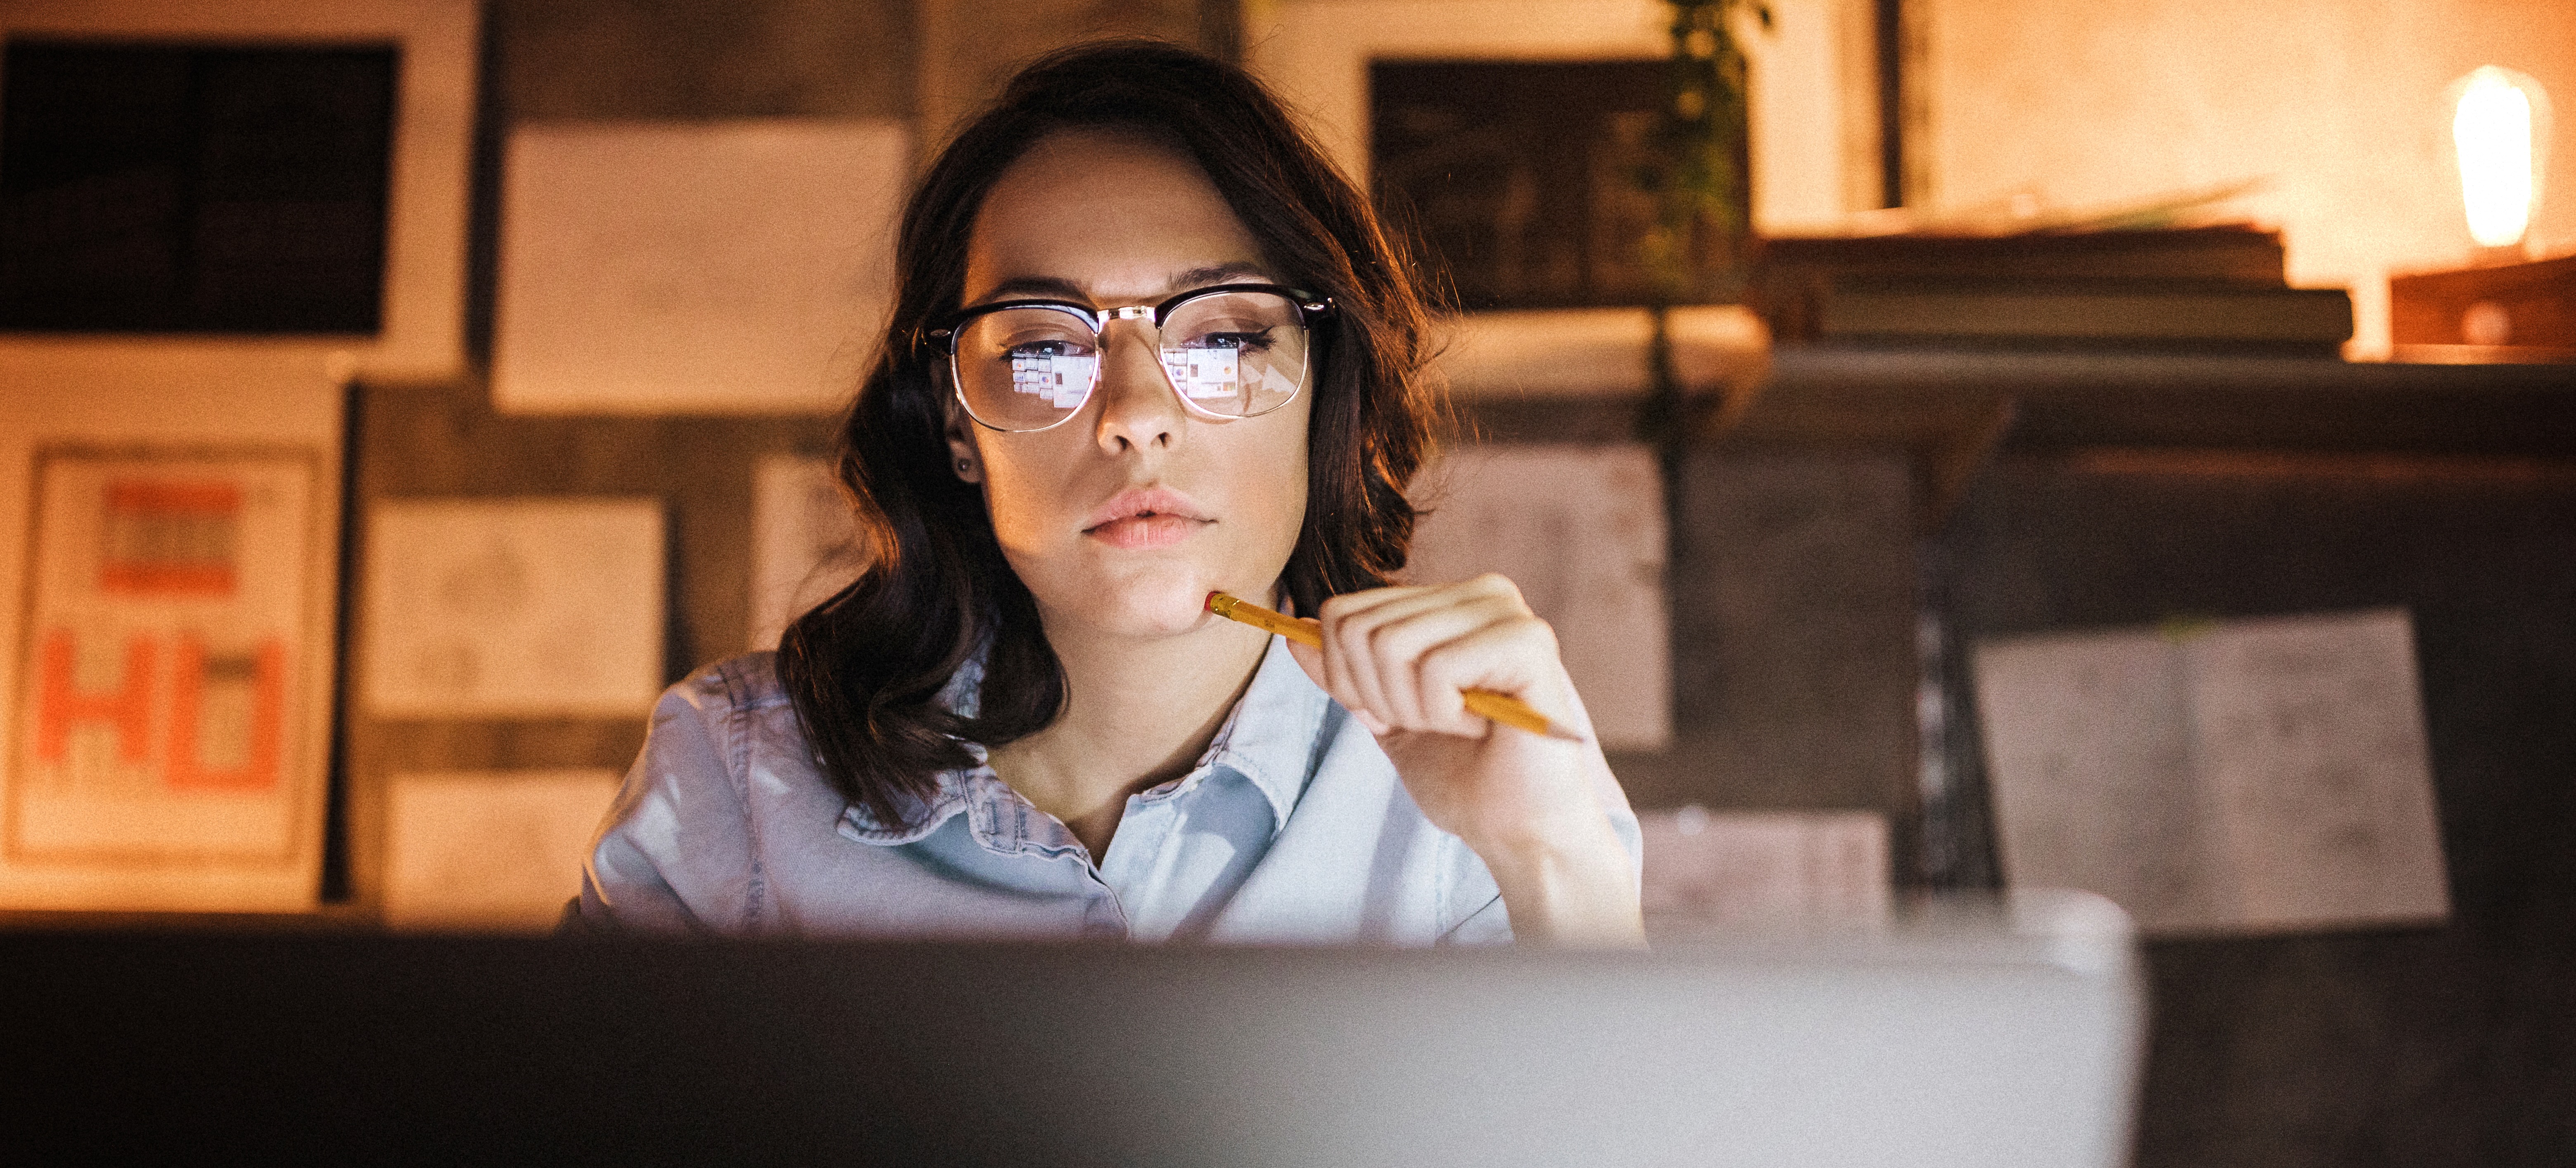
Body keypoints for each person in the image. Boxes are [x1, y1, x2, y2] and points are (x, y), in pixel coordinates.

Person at [579, 40, 1643, 946]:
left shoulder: (1487, 796)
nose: (1136, 413)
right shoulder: (732, 783)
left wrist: (1553, 869)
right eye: (1045, 347)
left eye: (1223, 335)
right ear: (956, 424)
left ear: (1323, 394)